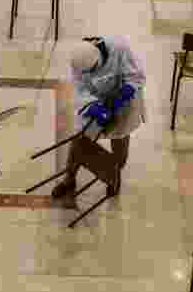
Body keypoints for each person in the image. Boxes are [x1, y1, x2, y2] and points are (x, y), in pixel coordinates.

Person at [52, 36, 146, 197]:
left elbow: (136, 78)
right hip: (97, 100)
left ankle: (113, 178)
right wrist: (93, 106)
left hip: (125, 101)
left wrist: (119, 99)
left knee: (120, 146)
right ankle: (69, 179)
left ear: (100, 55)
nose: (91, 74)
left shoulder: (119, 48)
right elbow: (80, 89)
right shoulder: (79, 61)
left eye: (94, 69)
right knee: (79, 140)